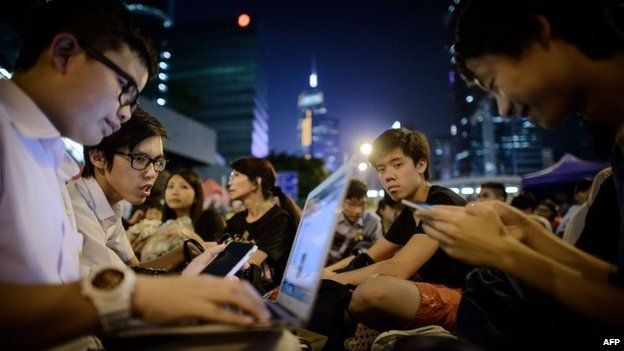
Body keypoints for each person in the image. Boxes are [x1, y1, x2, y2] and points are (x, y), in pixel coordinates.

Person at [0, 1, 268, 347]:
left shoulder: (48, 159)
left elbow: (52, 289)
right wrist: (134, 297)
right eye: (124, 90)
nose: (126, 113)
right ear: (65, 52)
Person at [414, 0, 624, 348]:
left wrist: (506, 253)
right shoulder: (617, 143)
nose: (504, 108)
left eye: (494, 83)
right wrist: (526, 234)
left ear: (539, 33)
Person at [322, 128, 472, 337]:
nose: (388, 176)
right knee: (357, 287)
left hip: (470, 302)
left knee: (373, 290)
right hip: (438, 293)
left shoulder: (442, 202)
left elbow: (398, 268)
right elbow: (367, 257)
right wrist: (323, 274)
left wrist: (332, 280)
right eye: (381, 169)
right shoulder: (409, 213)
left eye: (398, 165)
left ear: (421, 164)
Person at [226, 157, 301, 290]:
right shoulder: (236, 220)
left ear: (256, 182)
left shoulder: (279, 219)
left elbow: (253, 261)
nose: (229, 182)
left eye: (236, 175)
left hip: (266, 296)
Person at [136, 169, 224, 261]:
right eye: (170, 186)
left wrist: (185, 233)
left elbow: (216, 253)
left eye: (183, 187)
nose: (174, 192)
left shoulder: (209, 219)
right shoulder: (162, 223)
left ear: (196, 196)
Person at [327, 179, 383, 264]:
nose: (357, 211)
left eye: (362, 204)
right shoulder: (330, 218)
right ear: (341, 202)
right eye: (351, 204)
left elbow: (379, 252)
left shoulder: (373, 223)